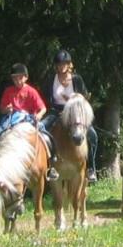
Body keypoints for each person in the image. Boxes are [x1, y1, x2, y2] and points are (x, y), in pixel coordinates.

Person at [39, 49, 97, 183]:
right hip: (56, 112)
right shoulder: (51, 80)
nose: (62, 66)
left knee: (93, 135)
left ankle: (91, 168)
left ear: (69, 64)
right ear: (56, 66)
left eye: (65, 63)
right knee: (41, 129)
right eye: (59, 64)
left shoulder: (77, 79)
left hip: (74, 112)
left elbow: (84, 97)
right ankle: (49, 166)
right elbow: (44, 98)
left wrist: (73, 99)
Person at [0, 63, 48, 177]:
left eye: (20, 77)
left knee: (46, 137)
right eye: (15, 78)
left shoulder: (31, 91)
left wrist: (38, 115)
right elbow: (2, 109)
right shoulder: (8, 91)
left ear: (26, 77)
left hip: (28, 118)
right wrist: (6, 109)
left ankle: (51, 164)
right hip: (11, 117)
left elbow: (43, 108)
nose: (17, 80)